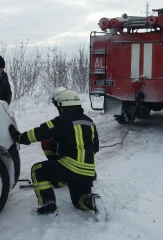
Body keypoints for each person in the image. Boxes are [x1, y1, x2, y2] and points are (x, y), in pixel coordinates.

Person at [8, 90, 107, 221]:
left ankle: (48, 206)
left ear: (63, 106)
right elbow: (95, 148)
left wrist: (19, 137)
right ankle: (93, 200)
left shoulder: (61, 121)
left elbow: (39, 133)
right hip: (88, 171)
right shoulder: (90, 122)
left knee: (38, 170)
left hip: (70, 166)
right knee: (79, 202)